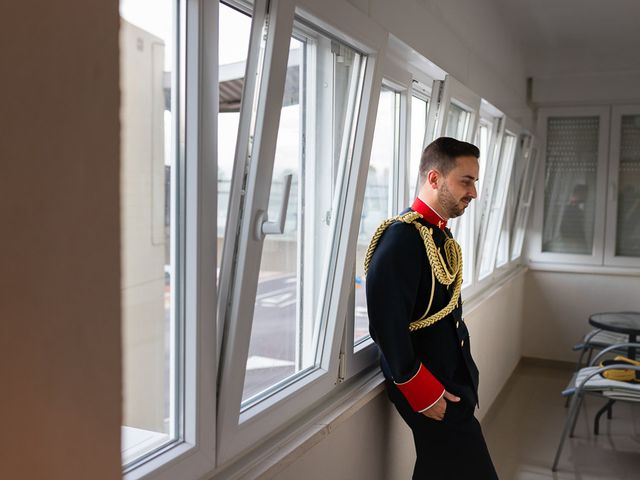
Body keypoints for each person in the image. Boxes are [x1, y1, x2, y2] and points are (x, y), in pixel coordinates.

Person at [364, 137, 498, 479]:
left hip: (450, 380)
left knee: (439, 468)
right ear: (434, 179)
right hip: (430, 387)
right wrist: (421, 391)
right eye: (465, 181)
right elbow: (385, 325)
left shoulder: (437, 235)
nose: (473, 193)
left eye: (474, 182)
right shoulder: (401, 239)